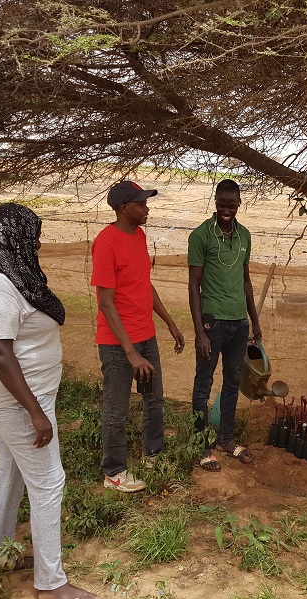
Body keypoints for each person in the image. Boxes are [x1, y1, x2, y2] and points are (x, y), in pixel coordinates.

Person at [0, 203, 95, 599]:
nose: (38, 241)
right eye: (32, 233)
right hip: (16, 401)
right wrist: (35, 411)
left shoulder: (12, 276)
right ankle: (51, 585)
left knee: (14, 471)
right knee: (50, 481)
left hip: (22, 395)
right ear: (13, 235)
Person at [91, 181, 184, 492]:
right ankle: (114, 473)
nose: (147, 208)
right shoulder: (106, 243)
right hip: (118, 345)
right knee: (117, 409)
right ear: (123, 208)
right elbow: (106, 303)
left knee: (154, 399)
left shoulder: (140, 236)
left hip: (146, 337)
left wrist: (169, 322)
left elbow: (144, 285)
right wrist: (131, 352)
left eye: (146, 203)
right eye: (141, 204)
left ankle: (152, 454)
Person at [188, 179, 261, 471]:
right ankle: (201, 444)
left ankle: (226, 440)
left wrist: (255, 321)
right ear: (215, 202)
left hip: (238, 324)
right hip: (212, 323)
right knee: (203, 384)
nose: (226, 210)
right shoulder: (201, 236)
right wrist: (198, 332)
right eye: (221, 205)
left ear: (239, 204)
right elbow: (194, 286)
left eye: (231, 205)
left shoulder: (244, 236)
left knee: (232, 383)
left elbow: (245, 281)